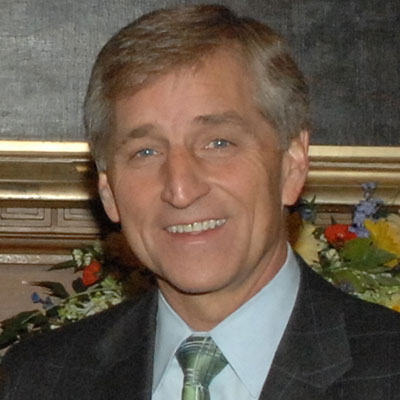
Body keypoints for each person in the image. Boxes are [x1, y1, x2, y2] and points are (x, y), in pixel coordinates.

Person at [1, 4, 399, 400]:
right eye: (145, 152)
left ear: (291, 166)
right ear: (108, 192)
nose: (180, 189)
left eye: (218, 143)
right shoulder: (40, 381)